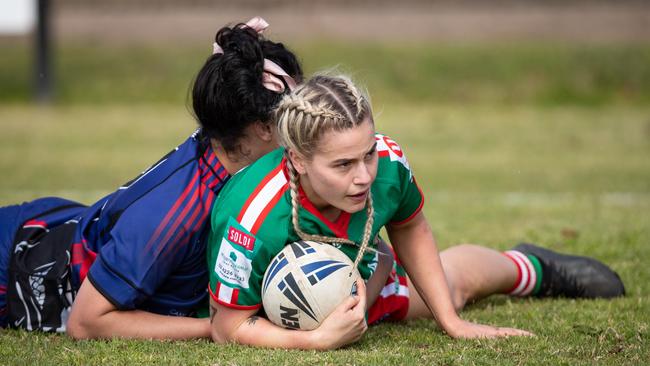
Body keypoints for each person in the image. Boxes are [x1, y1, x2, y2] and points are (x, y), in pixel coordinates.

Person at [206, 74, 625, 349]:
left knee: (454, 289)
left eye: (366, 154)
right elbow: (228, 328)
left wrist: (451, 322)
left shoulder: (387, 163)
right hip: (277, 310)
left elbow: (411, 228)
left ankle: (531, 267)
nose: (364, 176)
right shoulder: (251, 219)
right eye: (342, 165)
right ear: (297, 160)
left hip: (362, 275)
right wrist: (316, 340)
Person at [0, 18, 303, 339]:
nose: (303, 128)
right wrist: (216, 327)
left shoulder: (227, 145)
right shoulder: (175, 213)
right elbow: (86, 321)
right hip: (17, 263)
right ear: (263, 128)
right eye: (295, 115)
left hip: (59, 223)